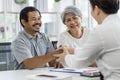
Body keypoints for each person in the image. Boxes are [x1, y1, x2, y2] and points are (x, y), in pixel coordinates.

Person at [54, 0, 120, 80]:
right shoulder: (115, 25)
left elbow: (79, 62)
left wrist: (65, 57)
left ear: (96, 9)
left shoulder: (99, 31)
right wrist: (73, 51)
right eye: (68, 20)